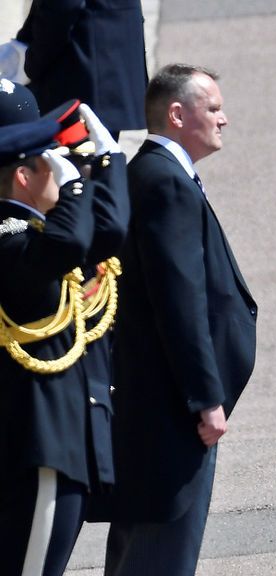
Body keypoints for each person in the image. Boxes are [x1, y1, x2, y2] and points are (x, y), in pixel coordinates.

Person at [104, 63, 258, 575]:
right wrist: (205, 398)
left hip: (159, 408)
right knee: (160, 555)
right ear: (176, 114)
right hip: (173, 413)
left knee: (143, 550)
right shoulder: (165, 183)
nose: (224, 119)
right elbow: (180, 301)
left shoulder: (155, 175)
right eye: (212, 108)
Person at [0, 103, 128, 575]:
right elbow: (70, 244)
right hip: (38, 450)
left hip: (57, 444)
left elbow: (108, 231)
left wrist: (107, 164)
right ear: (24, 177)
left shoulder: (34, 238)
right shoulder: (13, 243)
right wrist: (78, 183)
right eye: (49, 160)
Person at [13, 0, 148, 138]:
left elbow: (62, 9)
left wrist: (31, 62)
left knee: (76, 154)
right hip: (105, 70)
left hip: (82, 82)